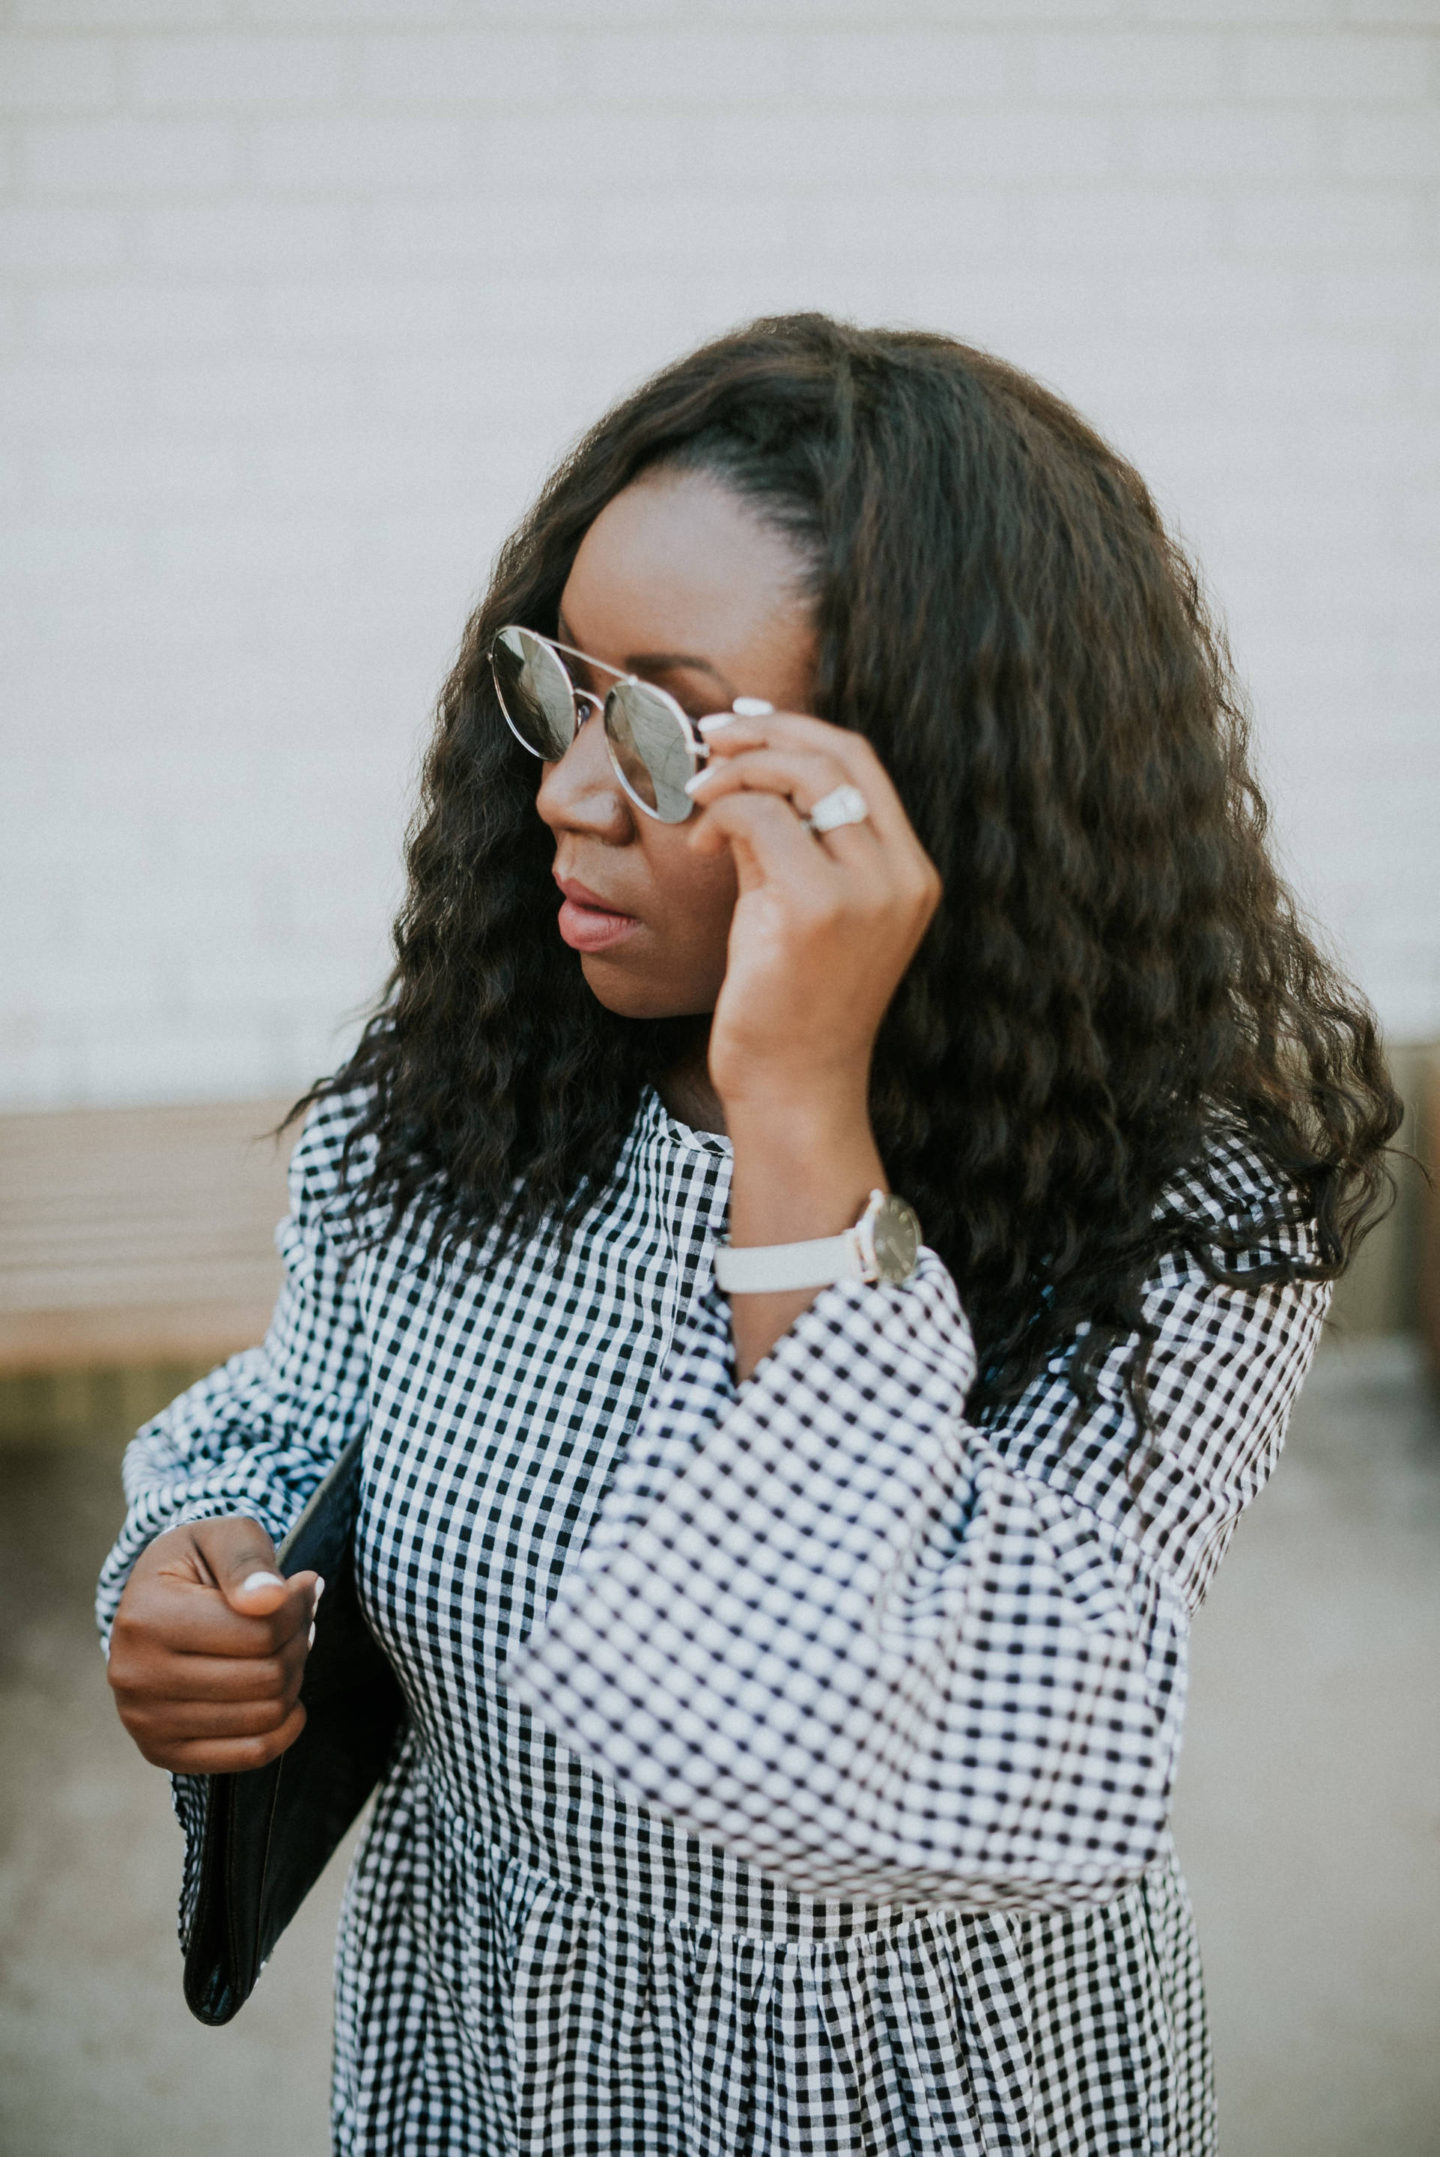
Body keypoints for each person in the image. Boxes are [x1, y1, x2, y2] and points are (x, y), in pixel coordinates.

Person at [98, 314, 1397, 2156]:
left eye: (660, 728)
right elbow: (303, 1413)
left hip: (928, 2097)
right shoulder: (466, 1090)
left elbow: (866, 1742)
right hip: (494, 2065)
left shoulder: (1171, 1212)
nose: (560, 789)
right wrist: (189, 1568)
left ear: (941, 778)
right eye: (561, 687)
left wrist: (800, 1109)